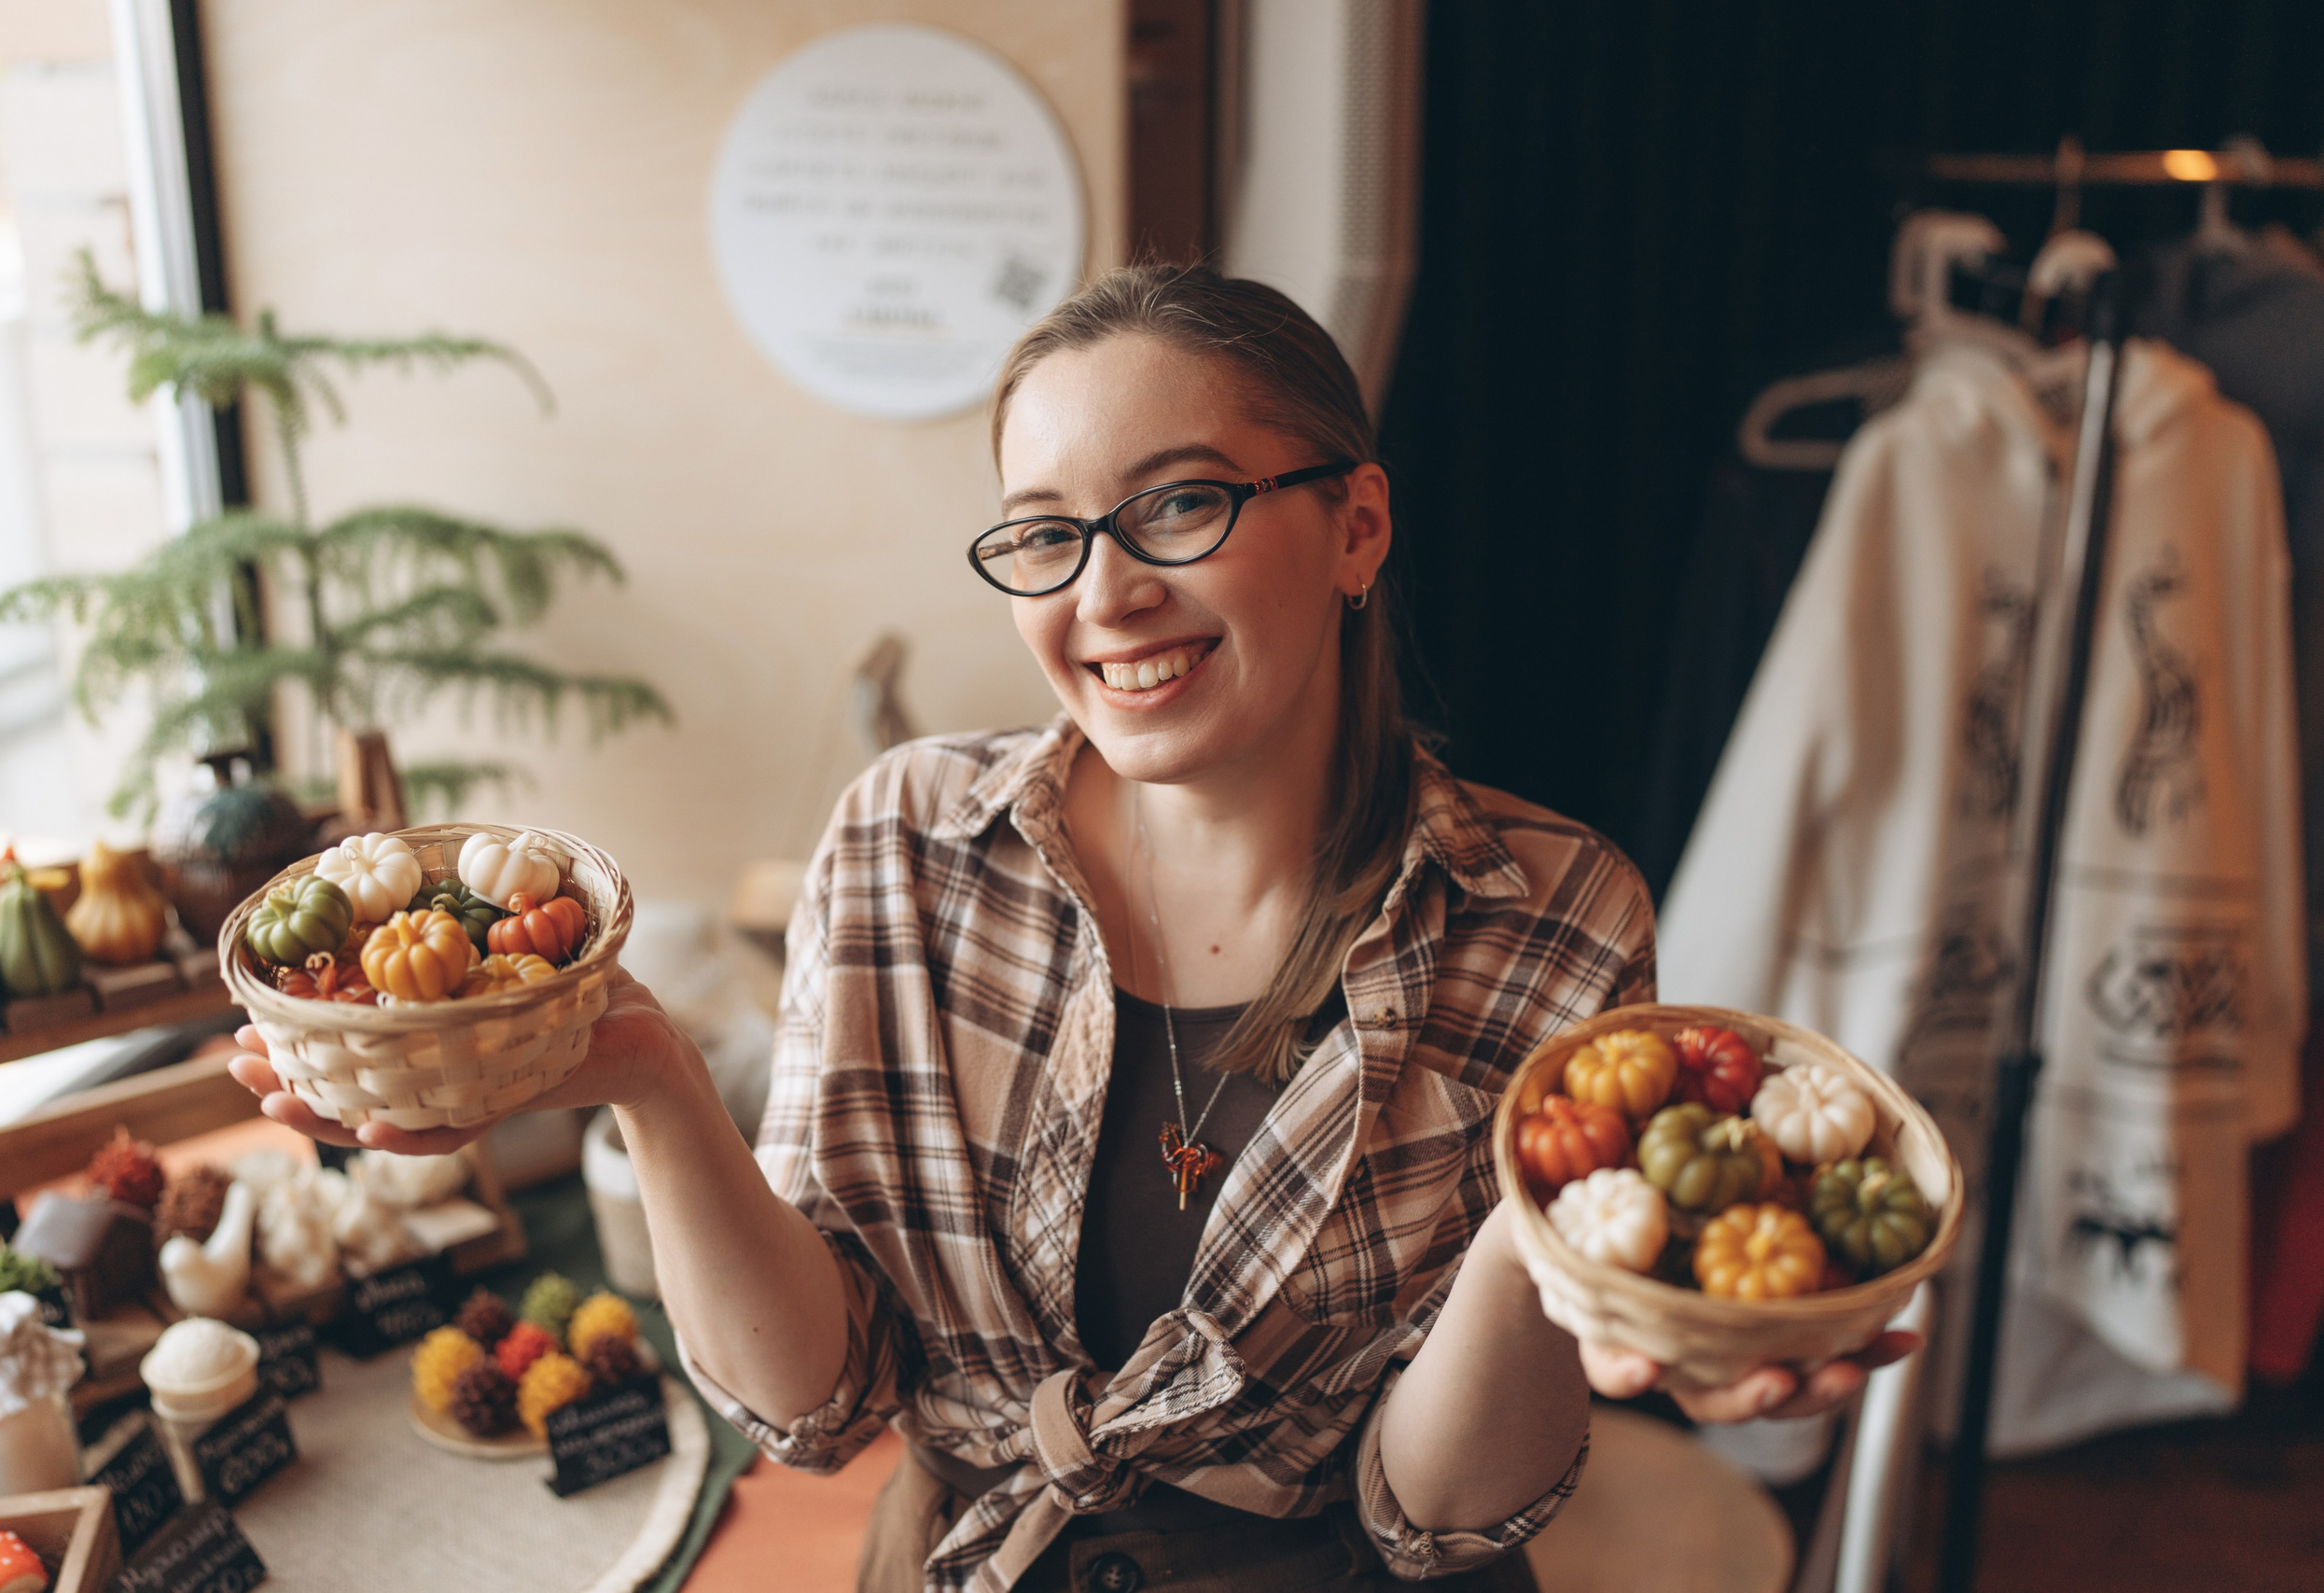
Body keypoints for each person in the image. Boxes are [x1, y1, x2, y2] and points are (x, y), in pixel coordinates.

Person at [230, 265, 1914, 1592]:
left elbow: (1441, 1518)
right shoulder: (905, 845)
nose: (1103, 594)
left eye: (1180, 505)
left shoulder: (1549, 915)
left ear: (1358, 526)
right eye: (1045, 534)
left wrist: (1556, 1235)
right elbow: (823, 1405)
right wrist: (648, 1076)